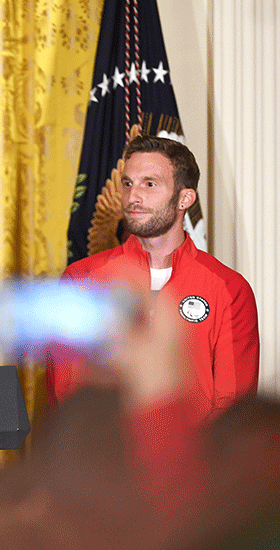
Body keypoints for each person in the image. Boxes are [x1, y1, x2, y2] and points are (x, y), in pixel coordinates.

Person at [47, 135, 260, 421]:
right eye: (127, 183)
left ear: (185, 198)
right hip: (103, 460)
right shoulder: (81, 280)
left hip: (194, 462)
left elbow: (234, 409)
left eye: (149, 184)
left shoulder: (229, 289)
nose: (133, 196)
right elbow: (66, 390)